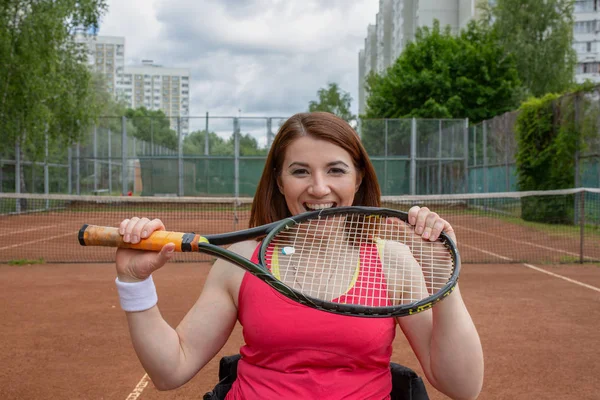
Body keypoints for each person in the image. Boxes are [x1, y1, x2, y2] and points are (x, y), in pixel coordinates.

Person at [114, 112, 484, 400]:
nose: (319, 187)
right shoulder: (241, 260)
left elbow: (462, 386)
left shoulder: (394, 262)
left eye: (336, 170)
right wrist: (134, 283)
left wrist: (443, 280)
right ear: (279, 181)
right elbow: (171, 369)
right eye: (300, 171)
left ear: (357, 178)